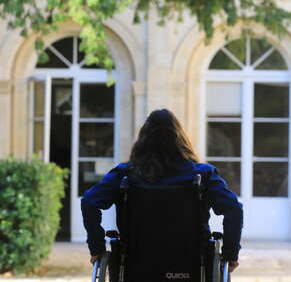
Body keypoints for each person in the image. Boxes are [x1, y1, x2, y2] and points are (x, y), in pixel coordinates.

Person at [81, 108, 243, 273]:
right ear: (180, 138)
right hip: (191, 267)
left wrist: (97, 248)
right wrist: (230, 254)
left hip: (135, 268)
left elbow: (89, 202)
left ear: (142, 139)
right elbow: (234, 209)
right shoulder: (203, 174)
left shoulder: (125, 174)